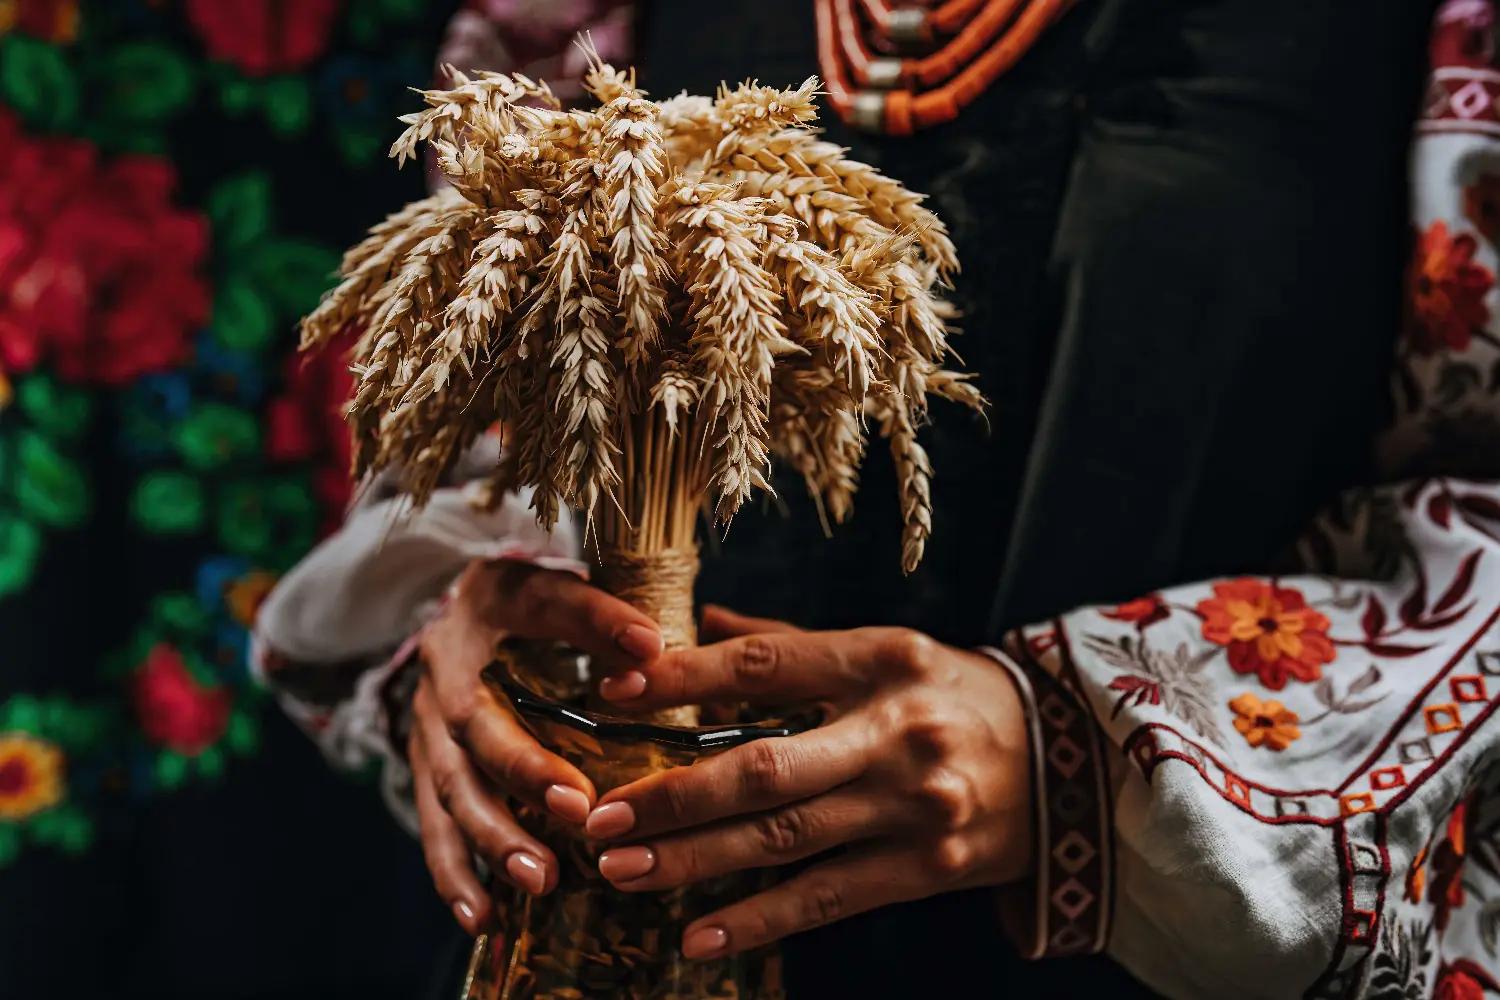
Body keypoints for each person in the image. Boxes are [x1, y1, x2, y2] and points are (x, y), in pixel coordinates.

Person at [256, 0, 1500, 997]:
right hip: (639, 928)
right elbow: (503, 426)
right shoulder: (591, 25)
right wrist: (481, 629)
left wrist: (1078, 752)